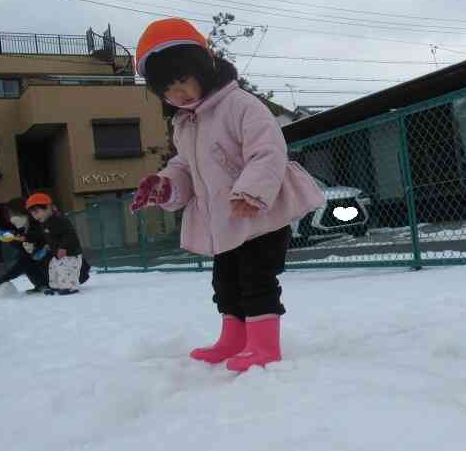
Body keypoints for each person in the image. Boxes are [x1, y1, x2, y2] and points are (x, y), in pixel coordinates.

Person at [130, 18, 325, 371]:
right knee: (226, 282)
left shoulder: (240, 105)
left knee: (257, 278)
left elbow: (268, 150)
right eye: (167, 91)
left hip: (259, 216)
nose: (178, 95)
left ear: (202, 68)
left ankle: (264, 345)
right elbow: (186, 168)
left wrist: (251, 191)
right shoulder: (185, 124)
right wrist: (166, 184)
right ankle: (234, 339)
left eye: (182, 82)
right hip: (223, 223)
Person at [25, 193, 84, 296]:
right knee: (53, 268)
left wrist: (63, 247)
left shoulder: (58, 220)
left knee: (66, 270)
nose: (35, 216)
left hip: (70, 254)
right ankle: (56, 286)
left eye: (37, 212)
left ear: (48, 208)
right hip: (57, 254)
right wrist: (48, 246)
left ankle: (69, 287)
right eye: (32, 214)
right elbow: (51, 236)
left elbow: (69, 234)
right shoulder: (45, 222)